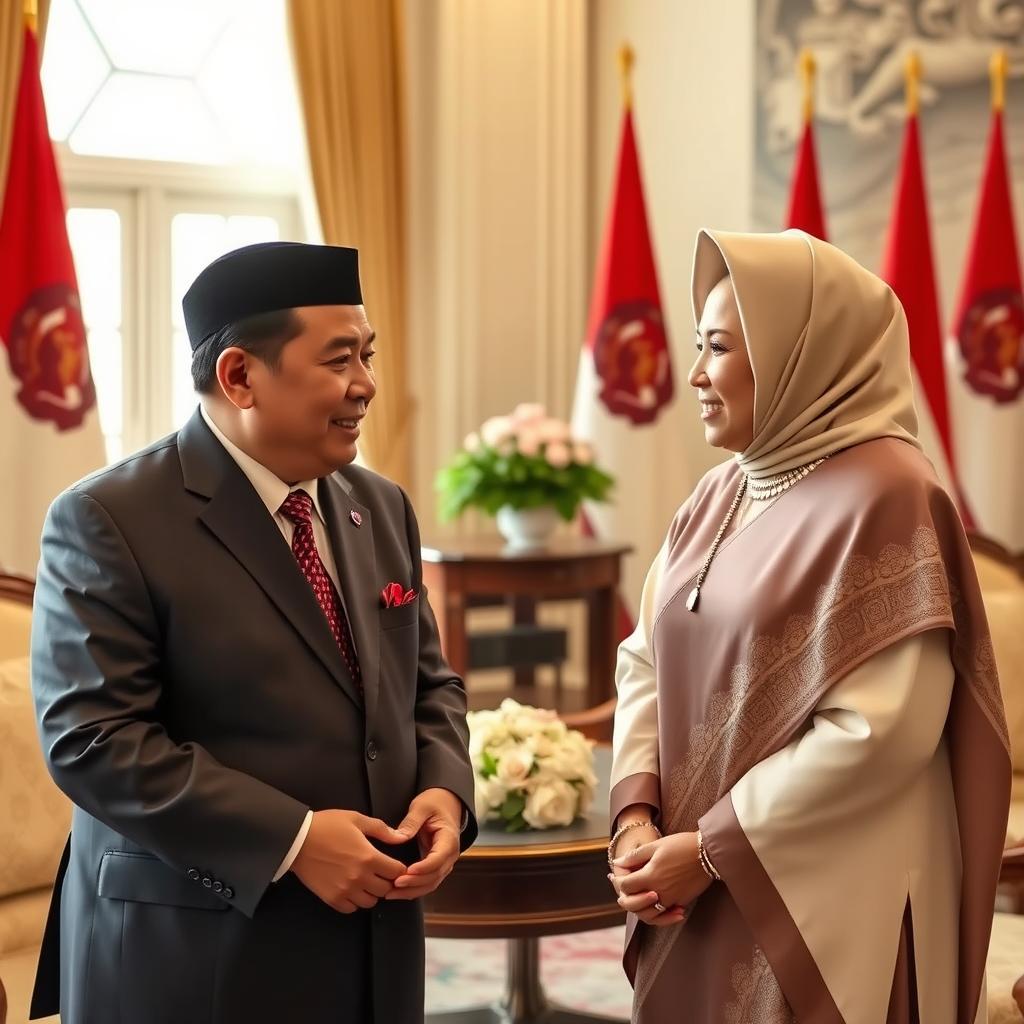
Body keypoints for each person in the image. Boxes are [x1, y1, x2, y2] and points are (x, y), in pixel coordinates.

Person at [29, 241, 477, 1024]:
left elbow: (428, 683)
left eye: (368, 354)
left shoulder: (380, 504)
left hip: (374, 947)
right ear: (239, 376)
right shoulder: (109, 518)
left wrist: (444, 788)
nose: (367, 385)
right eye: (340, 360)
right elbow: (92, 741)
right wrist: (295, 840)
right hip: (193, 955)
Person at [606, 228, 1010, 1023]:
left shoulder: (891, 495)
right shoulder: (720, 490)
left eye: (718, 348)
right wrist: (635, 816)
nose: (692, 375)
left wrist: (713, 849)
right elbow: (644, 655)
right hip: (688, 865)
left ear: (798, 352)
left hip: (827, 891)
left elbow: (879, 731)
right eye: (698, 345)